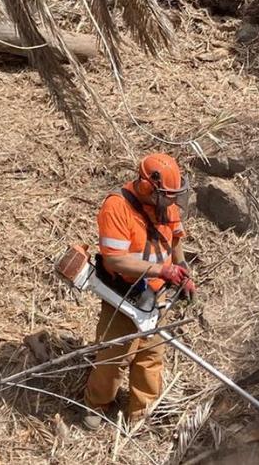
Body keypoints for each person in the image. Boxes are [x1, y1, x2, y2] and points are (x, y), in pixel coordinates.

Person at [83, 153, 196, 428]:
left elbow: (176, 238)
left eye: (174, 196)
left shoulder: (166, 202)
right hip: (124, 294)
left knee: (152, 354)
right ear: (147, 187)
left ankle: (141, 410)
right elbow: (115, 259)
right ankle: (96, 404)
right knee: (115, 355)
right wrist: (162, 271)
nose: (171, 203)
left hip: (158, 293)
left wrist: (182, 269)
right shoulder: (117, 208)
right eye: (166, 196)